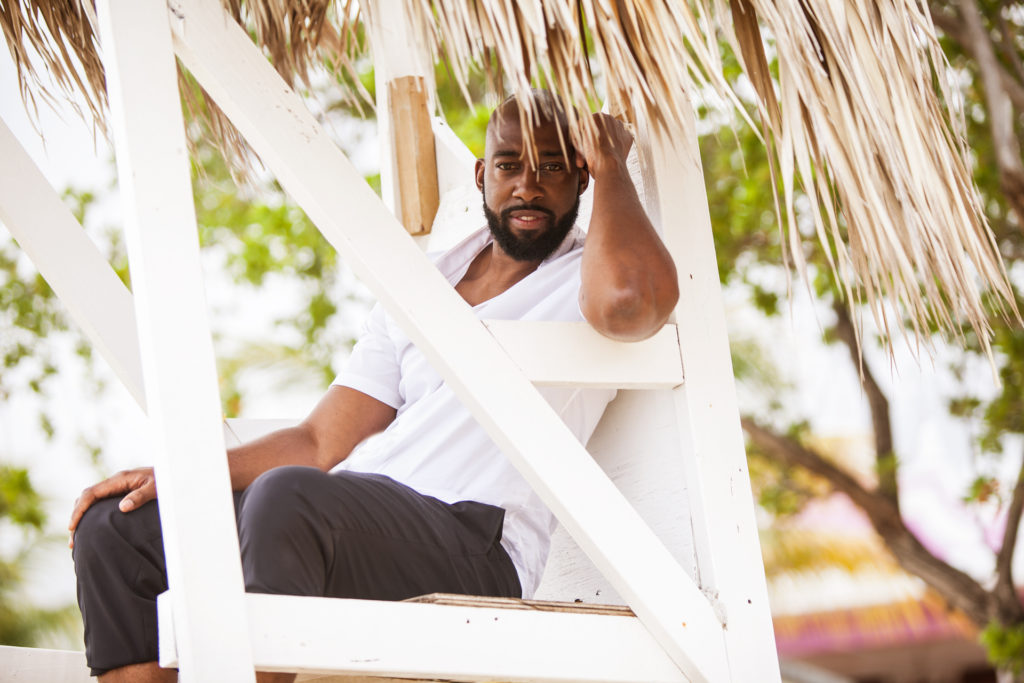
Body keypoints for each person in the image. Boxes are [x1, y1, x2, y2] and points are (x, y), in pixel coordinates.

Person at [68, 91, 679, 683]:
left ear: (581, 177)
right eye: (509, 164)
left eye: (553, 166)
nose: (528, 184)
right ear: (480, 175)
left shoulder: (584, 275)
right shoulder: (422, 280)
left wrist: (613, 166)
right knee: (117, 528)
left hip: (475, 542)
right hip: (350, 511)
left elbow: (629, 304)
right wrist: (181, 477)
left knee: (287, 499)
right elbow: (315, 442)